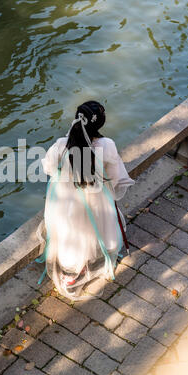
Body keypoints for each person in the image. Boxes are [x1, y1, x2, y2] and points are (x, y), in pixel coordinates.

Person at [37, 100, 135, 300]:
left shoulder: (62, 145)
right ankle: (90, 262)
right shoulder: (107, 146)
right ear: (98, 124)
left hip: (66, 202)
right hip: (95, 201)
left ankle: (70, 271)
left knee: (70, 233)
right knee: (94, 230)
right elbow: (115, 178)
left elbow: (48, 167)